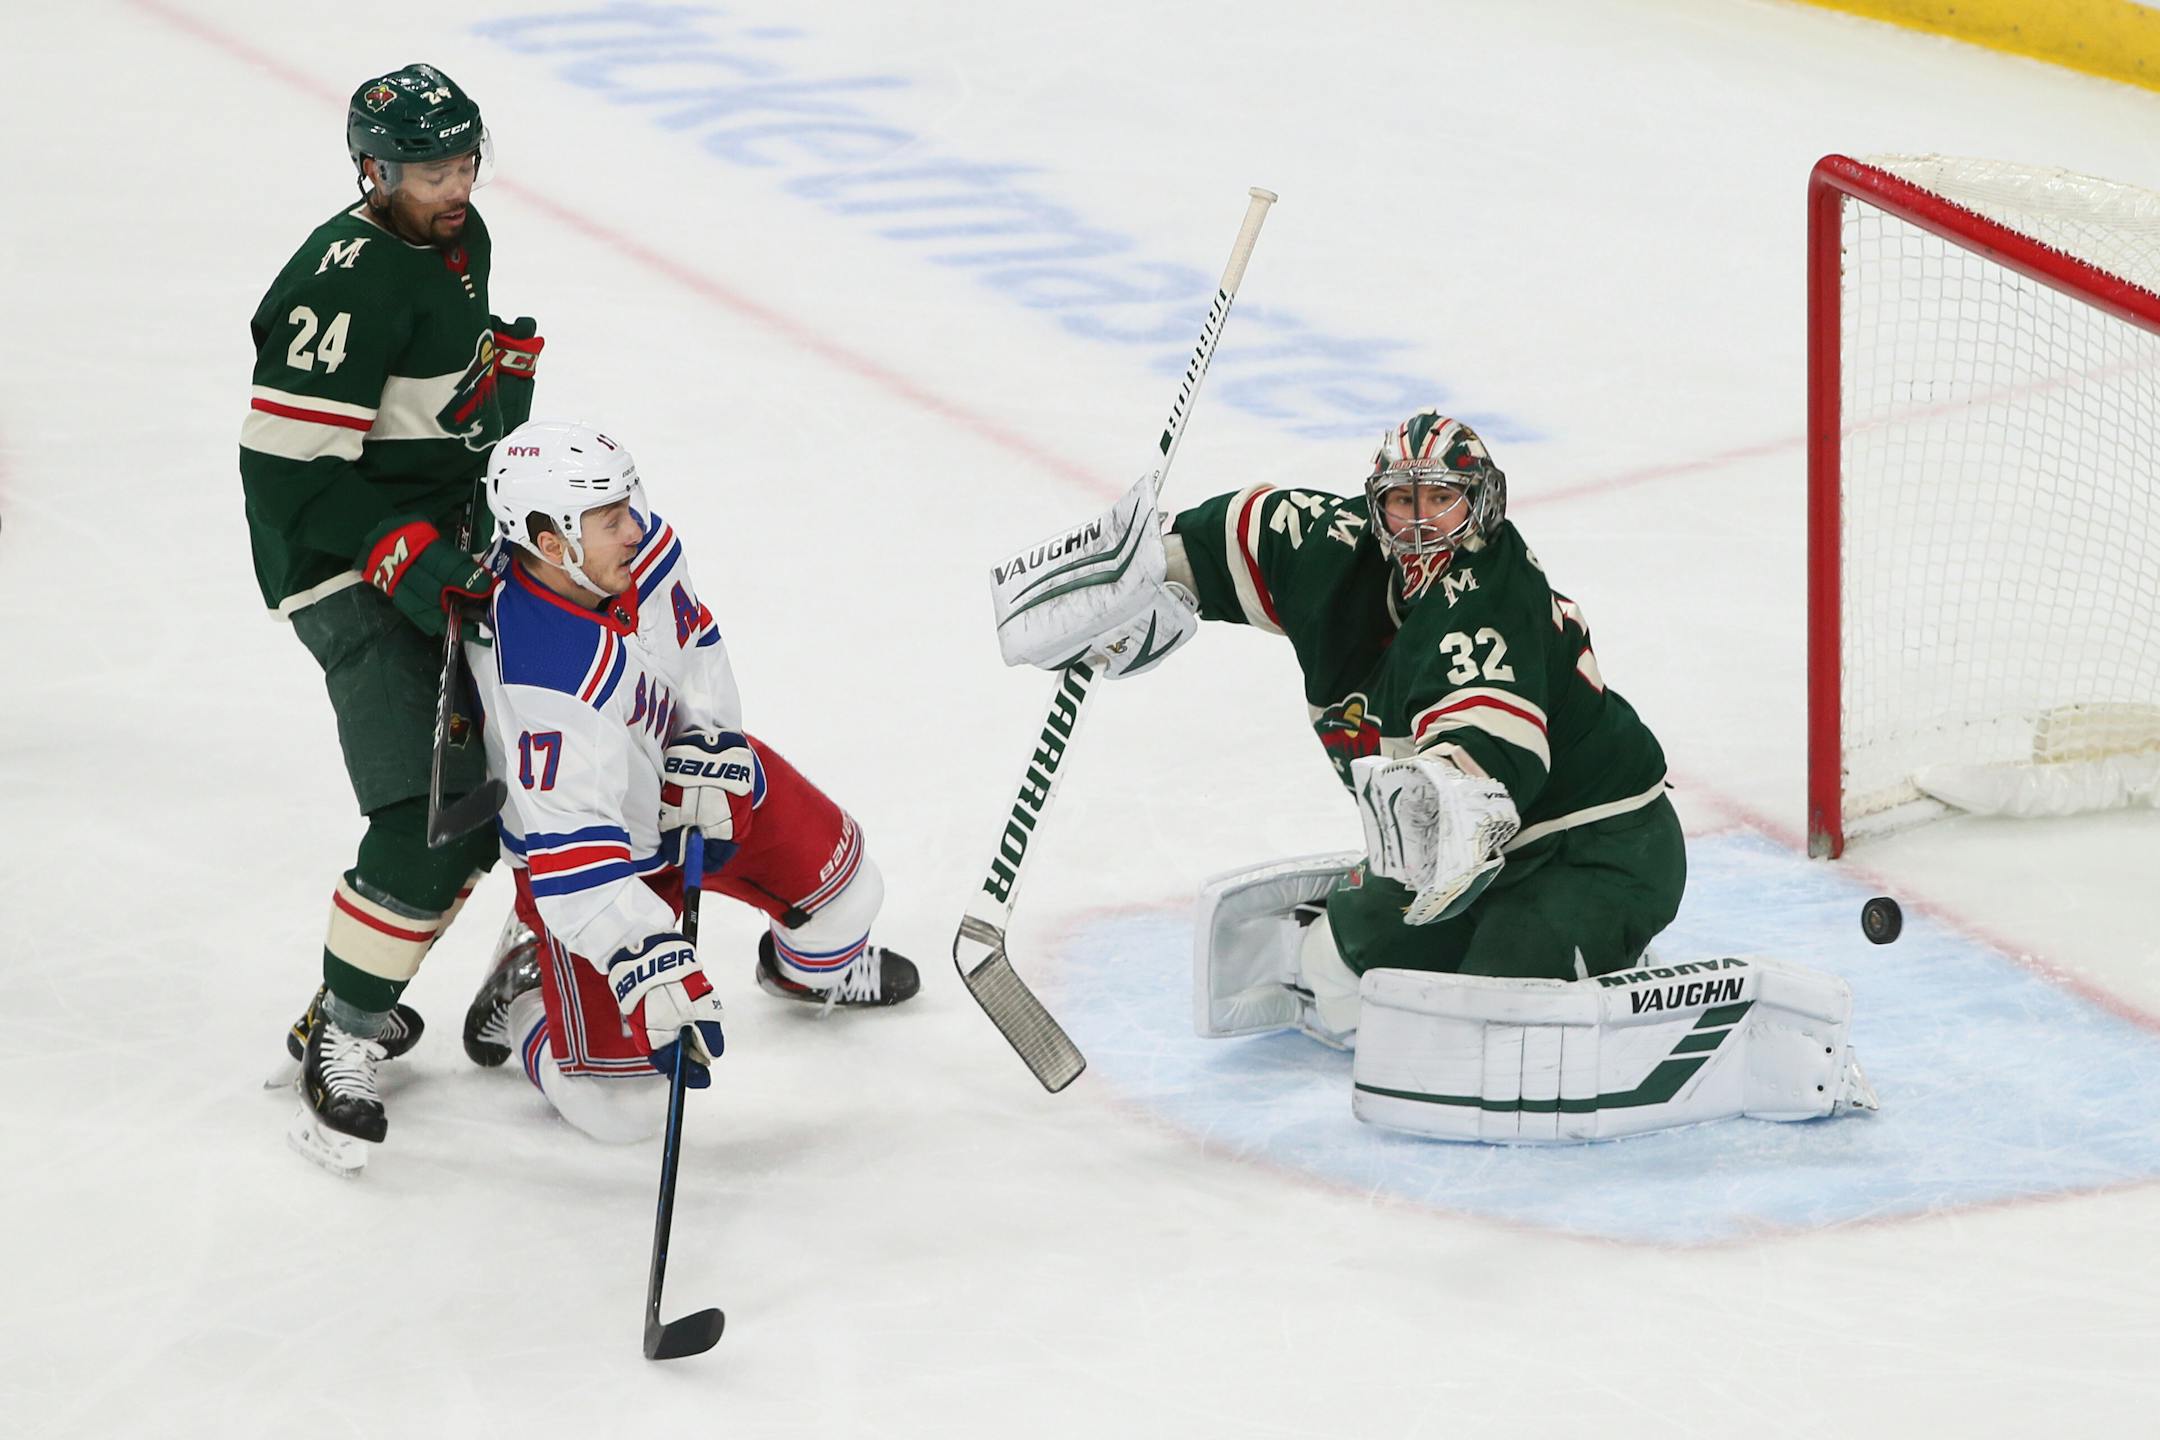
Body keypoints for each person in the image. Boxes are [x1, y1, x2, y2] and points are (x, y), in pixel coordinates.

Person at [990, 409, 1874, 1141]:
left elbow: (1476, 780)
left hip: (1602, 844)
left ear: (1481, 505)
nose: (1417, 524)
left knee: (1478, 1021)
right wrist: (1136, 578)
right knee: (1342, 987)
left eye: (1441, 502)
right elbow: (1236, 533)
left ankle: (1607, 956)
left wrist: (1435, 814)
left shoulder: (1487, 599)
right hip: (1466, 850)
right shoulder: (1336, 547)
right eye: (1401, 502)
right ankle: (1526, 954)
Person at [241, 62, 544, 1164]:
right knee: (430, 811)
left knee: (516, 777)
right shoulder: (344, 281)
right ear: (372, 169)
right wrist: (393, 548)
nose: (452, 182)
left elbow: (429, 421)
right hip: (343, 569)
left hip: (442, 546)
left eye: (465, 159)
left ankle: (392, 978)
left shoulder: (463, 238)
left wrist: (496, 399)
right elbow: (285, 478)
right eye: (427, 167)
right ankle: (344, 1026)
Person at [458, 420, 918, 1145]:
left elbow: (694, 641)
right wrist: (644, 956)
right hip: (601, 867)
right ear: (553, 546)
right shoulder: (539, 678)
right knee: (624, 1113)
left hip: (703, 783)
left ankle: (800, 975)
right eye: (611, 519)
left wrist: (709, 734)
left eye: (627, 505)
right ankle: (527, 994)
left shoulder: (632, 554)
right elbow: (574, 862)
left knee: (852, 896)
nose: (635, 527)